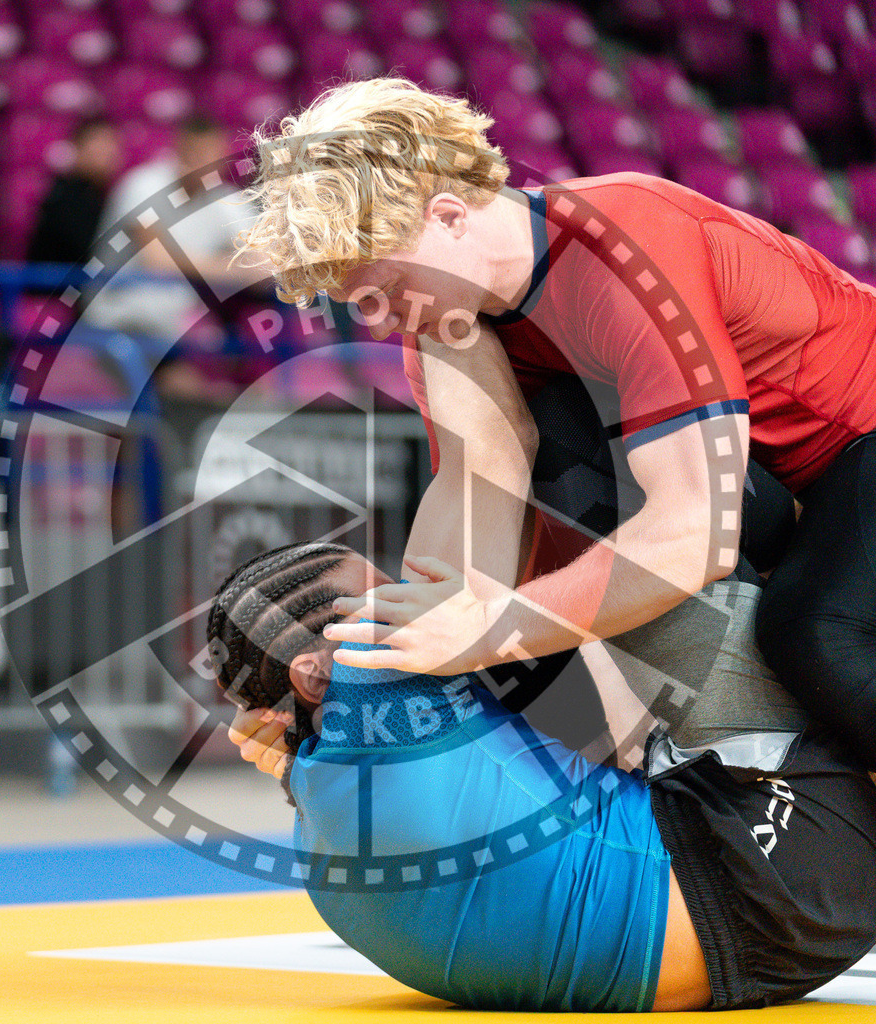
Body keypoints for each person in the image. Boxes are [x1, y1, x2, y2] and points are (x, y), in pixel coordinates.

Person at [214, 323, 876, 1012]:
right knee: (576, 427)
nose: (401, 596)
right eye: (376, 594)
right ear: (320, 673)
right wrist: (434, 301)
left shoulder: (317, 823)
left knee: (521, 629)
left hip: (767, 938)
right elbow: (496, 451)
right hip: (793, 866)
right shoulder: (377, 683)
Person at [232, 76, 876, 769]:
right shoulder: (449, 319)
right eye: (358, 304)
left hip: (854, 440)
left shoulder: (623, 243)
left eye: (383, 292)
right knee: (531, 634)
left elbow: (695, 533)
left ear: (449, 217)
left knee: (816, 631)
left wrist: (486, 629)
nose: (380, 323)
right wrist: (361, 694)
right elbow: (474, 507)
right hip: (778, 479)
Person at [85, 113, 264, 402]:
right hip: (117, 319)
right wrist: (233, 267)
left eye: (212, 155)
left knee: (256, 375)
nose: (204, 163)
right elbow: (158, 262)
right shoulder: (142, 185)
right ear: (179, 150)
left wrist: (238, 267)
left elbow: (264, 266)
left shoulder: (226, 200)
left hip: (173, 328)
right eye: (196, 153)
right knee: (183, 392)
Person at [25, 114, 122, 268]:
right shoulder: (62, 196)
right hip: (55, 288)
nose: (106, 151)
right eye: (97, 142)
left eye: (111, 142)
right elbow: (88, 250)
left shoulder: (101, 196)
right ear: (77, 148)